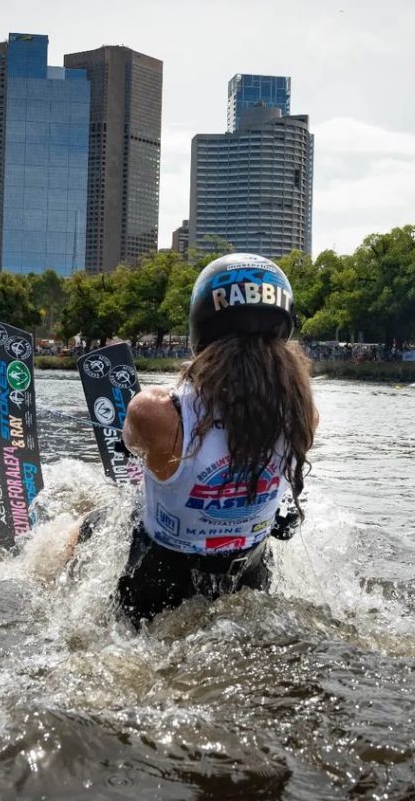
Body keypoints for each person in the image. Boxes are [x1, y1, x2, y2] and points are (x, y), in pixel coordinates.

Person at [78, 253, 318, 627]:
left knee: (91, 522)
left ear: (200, 329)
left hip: (157, 584)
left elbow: (131, 441)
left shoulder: (156, 412)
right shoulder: (304, 415)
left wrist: (132, 445)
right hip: (250, 577)